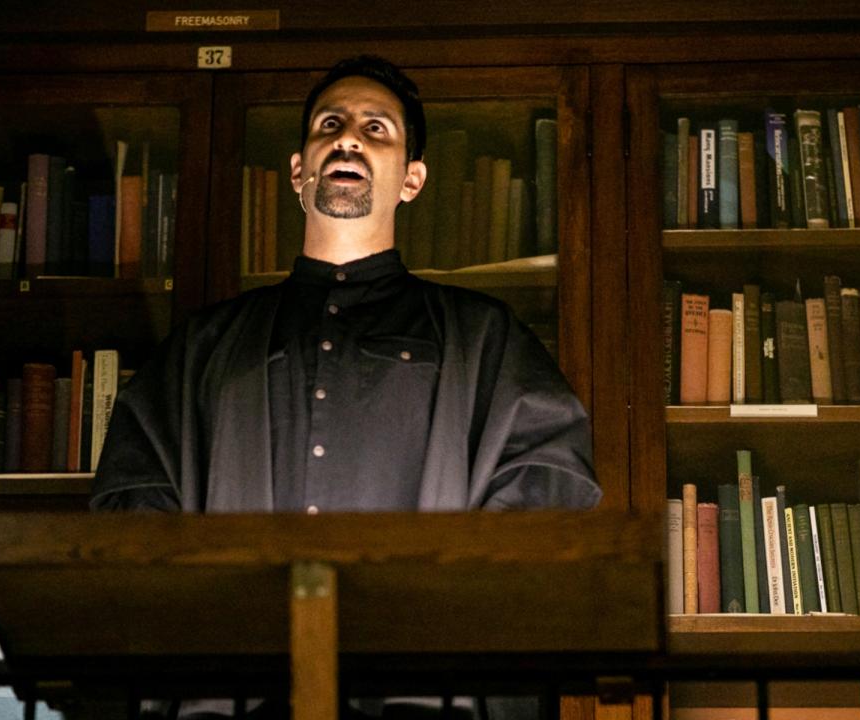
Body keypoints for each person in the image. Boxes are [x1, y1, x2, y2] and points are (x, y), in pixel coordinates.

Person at [90, 55, 599, 717]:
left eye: (376, 128)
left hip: (422, 698)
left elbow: (546, 491)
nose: (349, 138)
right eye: (330, 124)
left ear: (412, 179)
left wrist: (441, 596)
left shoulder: (483, 339)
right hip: (240, 695)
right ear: (299, 170)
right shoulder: (207, 345)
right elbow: (139, 502)